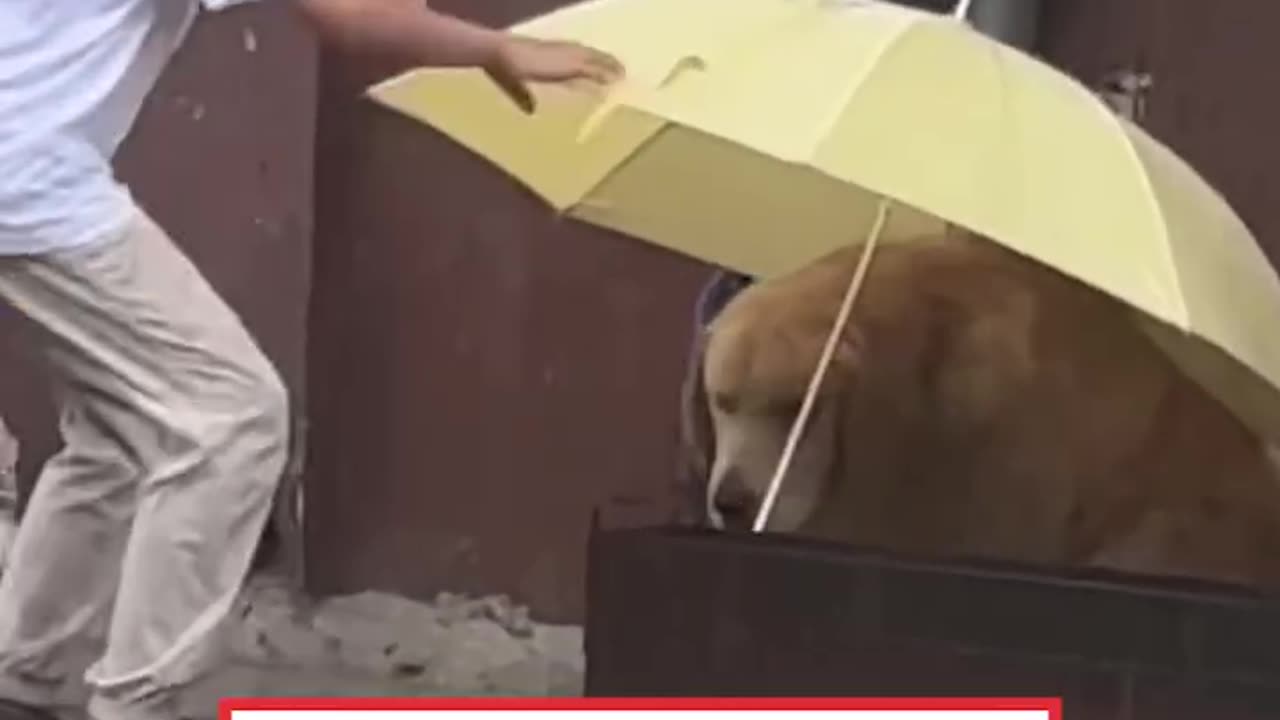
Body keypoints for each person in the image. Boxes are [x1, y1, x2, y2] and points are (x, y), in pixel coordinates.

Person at [0, 2, 623, 720]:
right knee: (233, 418)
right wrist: (493, 50)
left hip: (26, 171)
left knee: (117, 431)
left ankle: (21, 679)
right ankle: (142, 700)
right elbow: (349, 14)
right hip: (32, 184)